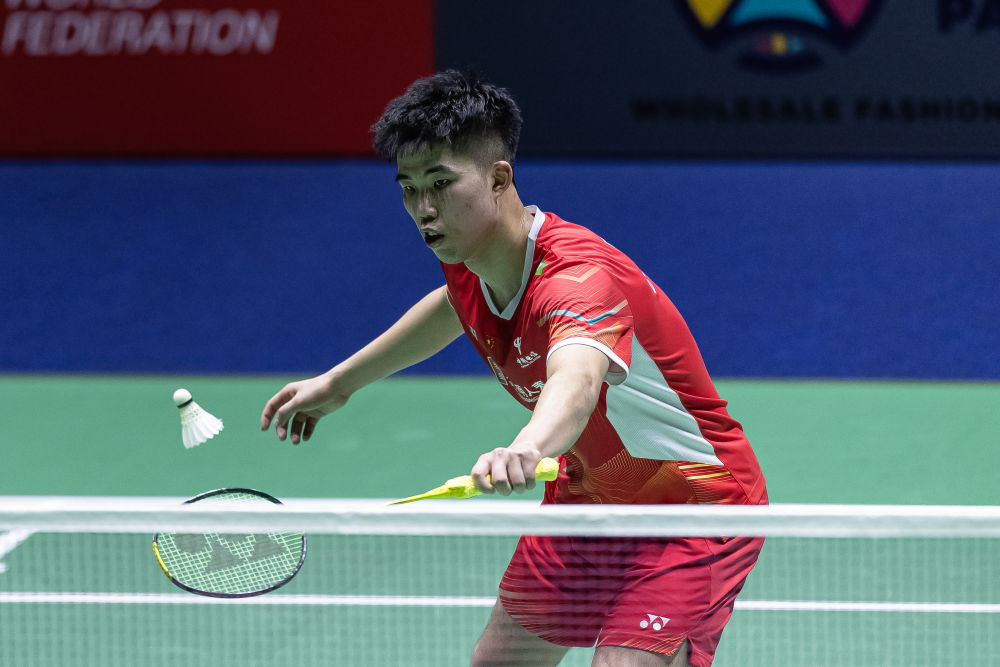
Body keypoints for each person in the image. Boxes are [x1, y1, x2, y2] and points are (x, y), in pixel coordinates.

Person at [260, 70, 767, 667]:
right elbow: (453, 306)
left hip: (692, 505)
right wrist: (339, 383)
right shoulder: (472, 257)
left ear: (499, 178)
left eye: (441, 184)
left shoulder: (578, 280)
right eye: (409, 189)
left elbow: (576, 380)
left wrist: (526, 446)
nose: (424, 209)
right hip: (589, 497)